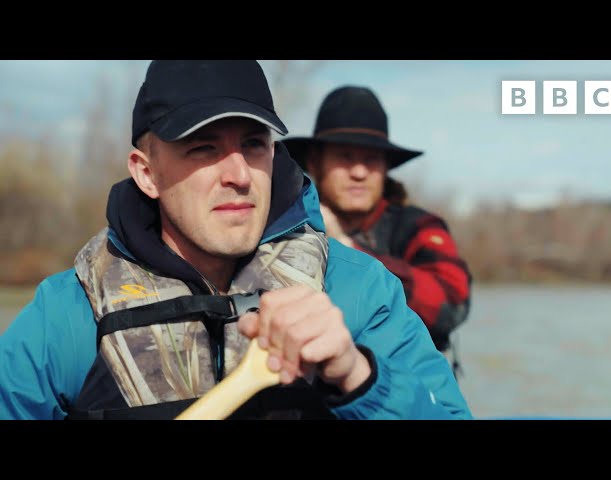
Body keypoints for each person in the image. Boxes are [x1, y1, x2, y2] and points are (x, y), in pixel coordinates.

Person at [0, 61, 472, 420]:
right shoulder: (64, 314)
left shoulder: (363, 290)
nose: (240, 175)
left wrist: (358, 376)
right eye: (203, 147)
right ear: (146, 173)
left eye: (253, 144)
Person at [282, 86, 472, 377]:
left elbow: (450, 306)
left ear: (385, 168)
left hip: (409, 392)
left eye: (371, 159)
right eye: (345, 156)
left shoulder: (420, 227)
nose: (358, 172)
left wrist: (346, 249)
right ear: (314, 162)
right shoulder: (284, 226)